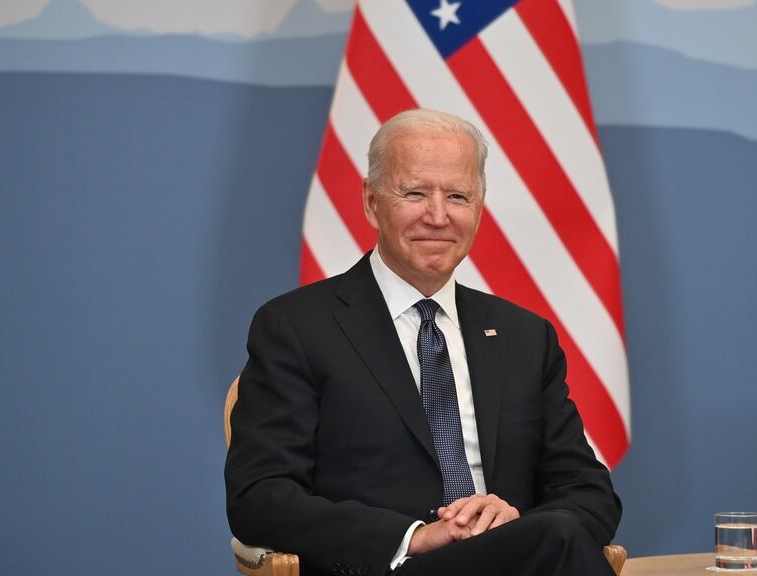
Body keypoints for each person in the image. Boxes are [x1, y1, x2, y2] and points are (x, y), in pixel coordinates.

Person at [225, 109, 621, 576]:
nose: (438, 216)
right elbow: (260, 497)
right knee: (557, 538)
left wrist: (514, 525)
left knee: (557, 533)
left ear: (479, 206)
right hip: (385, 567)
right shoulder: (296, 327)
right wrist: (414, 537)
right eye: (414, 193)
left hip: (517, 559)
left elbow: (589, 492)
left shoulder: (525, 337)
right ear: (372, 202)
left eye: (457, 196)